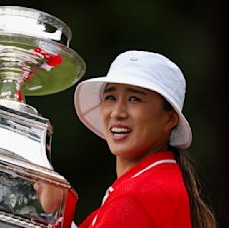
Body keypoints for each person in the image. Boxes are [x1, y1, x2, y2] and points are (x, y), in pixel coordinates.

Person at [73, 50, 216, 228]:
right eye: (110, 97)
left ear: (170, 119)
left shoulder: (134, 196)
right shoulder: (155, 184)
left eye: (134, 99)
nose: (117, 112)